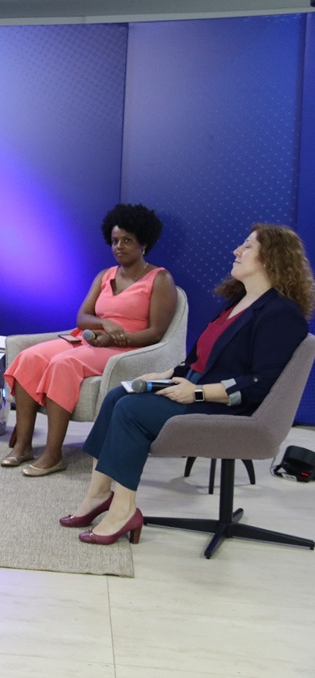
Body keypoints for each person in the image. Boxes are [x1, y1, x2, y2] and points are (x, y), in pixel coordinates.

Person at [63, 224, 314, 545]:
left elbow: (258, 383)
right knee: (116, 397)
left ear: (271, 258)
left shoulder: (280, 313)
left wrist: (196, 392)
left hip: (227, 405)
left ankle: (124, 510)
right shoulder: (237, 302)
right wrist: (165, 374)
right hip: (195, 389)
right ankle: (98, 495)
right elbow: (200, 359)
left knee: (130, 410)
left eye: (247, 246)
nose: (237, 251)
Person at [1, 203, 178, 475]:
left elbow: (156, 333)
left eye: (127, 240)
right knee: (29, 357)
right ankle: (23, 445)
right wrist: (103, 323)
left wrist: (115, 339)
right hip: (91, 339)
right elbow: (83, 317)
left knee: (64, 363)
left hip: (128, 348)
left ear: (144, 243)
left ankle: (53, 454)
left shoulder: (160, 279)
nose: (119, 247)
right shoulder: (105, 276)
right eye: (115, 241)